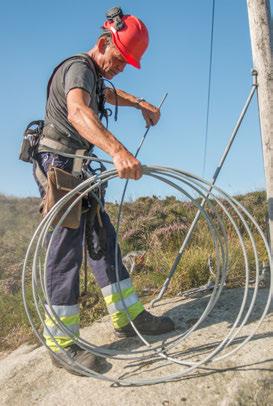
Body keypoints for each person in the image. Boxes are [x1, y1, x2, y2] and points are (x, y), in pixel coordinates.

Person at [33, 7, 175, 375]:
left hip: (78, 169)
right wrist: (117, 151)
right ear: (103, 42)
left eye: (128, 62)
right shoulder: (79, 68)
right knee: (66, 250)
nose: (122, 66)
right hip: (60, 167)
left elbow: (109, 95)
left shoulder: (95, 77)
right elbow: (79, 113)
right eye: (120, 58)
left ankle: (128, 317)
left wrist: (141, 104)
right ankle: (62, 343)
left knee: (102, 239)